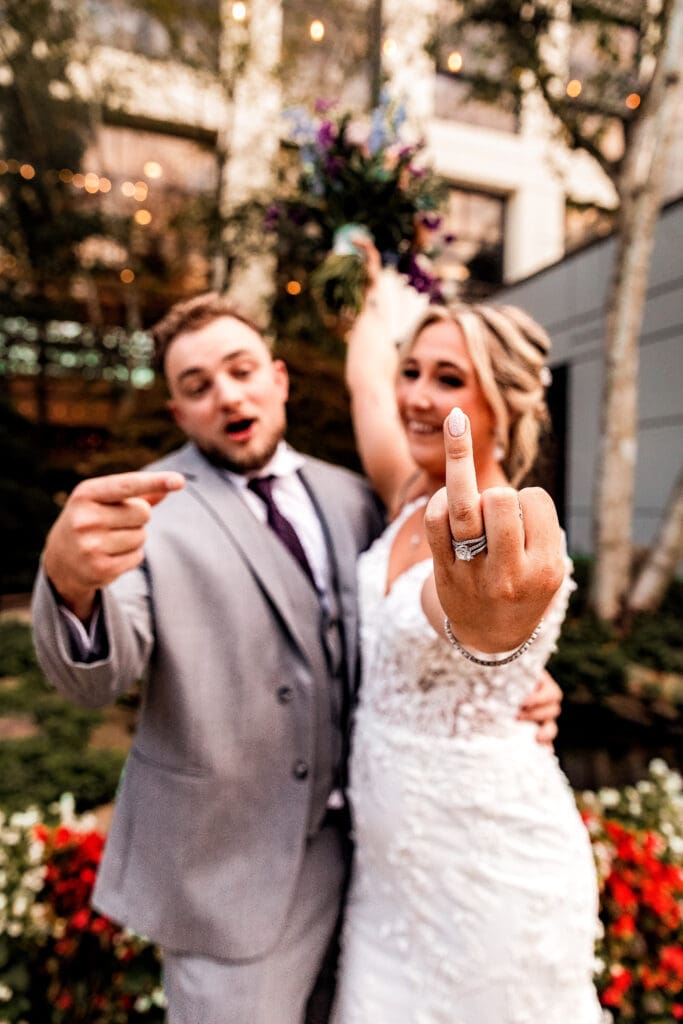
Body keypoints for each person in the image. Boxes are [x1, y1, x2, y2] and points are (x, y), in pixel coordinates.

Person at [31, 292, 565, 1024]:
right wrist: (69, 582)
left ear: (276, 378)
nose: (226, 394)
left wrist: (506, 653)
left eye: (241, 369)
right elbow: (98, 674)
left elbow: (458, 612)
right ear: (178, 411)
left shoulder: (354, 495)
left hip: (375, 868)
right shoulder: (147, 515)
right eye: (197, 386)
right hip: (230, 880)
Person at [330, 247, 602, 1023]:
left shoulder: (498, 532)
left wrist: (495, 633)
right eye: (411, 370)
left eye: (447, 379)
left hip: (490, 871)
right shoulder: (407, 486)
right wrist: (362, 265)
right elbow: (363, 379)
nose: (416, 395)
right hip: (383, 885)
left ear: (505, 403)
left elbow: (480, 617)